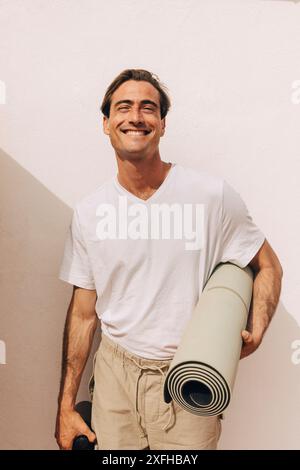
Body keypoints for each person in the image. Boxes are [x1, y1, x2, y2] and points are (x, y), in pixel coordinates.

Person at [55, 69, 283, 450]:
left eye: (148, 108)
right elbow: (82, 313)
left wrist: (257, 327)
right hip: (114, 375)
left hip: (187, 377)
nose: (136, 116)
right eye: (123, 107)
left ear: (161, 124)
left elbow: (268, 265)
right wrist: (65, 406)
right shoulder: (89, 211)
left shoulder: (211, 196)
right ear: (106, 123)